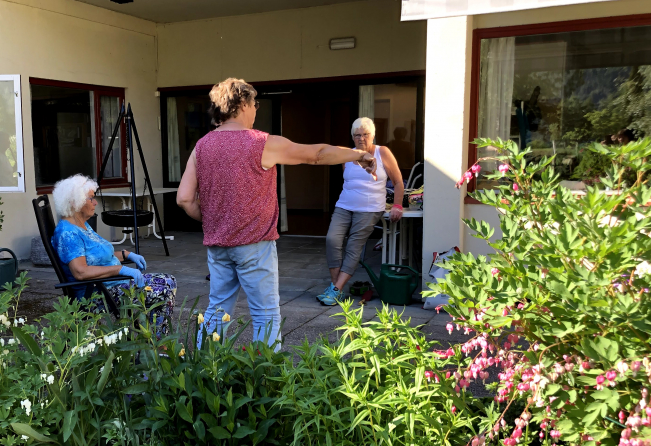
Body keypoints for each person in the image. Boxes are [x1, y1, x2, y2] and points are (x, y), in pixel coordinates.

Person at [176, 78, 375, 348]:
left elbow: (185, 199)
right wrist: (358, 155)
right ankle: (267, 380)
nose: (256, 109)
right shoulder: (261, 142)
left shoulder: (202, 146)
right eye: (254, 103)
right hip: (255, 246)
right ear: (243, 104)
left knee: (216, 311)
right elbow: (315, 154)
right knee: (265, 315)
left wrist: (215, 221)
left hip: (218, 246)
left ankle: (204, 372)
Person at [51, 175, 177, 336]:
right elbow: (80, 271)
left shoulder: (81, 225)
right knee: (161, 292)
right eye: (91, 198)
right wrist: (120, 269)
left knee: (169, 280)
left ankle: (155, 337)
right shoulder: (68, 234)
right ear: (75, 202)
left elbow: (97, 256)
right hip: (97, 292)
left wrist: (127, 254)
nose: (95, 202)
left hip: (110, 284)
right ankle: (158, 344)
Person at [318, 117, 405, 306]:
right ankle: (336, 288)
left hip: (369, 208)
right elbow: (347, 181)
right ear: (352, 137)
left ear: (372, 135)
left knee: (354, 246)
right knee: (332, 239)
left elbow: (398, 182)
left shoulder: (383, 153)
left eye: (365, 134)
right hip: (344, 205)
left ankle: (335, 290)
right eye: (357, 135)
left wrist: (397, 205)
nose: (361, 138)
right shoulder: (348, 155)